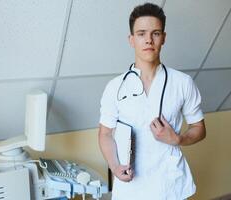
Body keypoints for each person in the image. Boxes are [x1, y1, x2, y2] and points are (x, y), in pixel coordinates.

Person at [98, 3, 206, 200]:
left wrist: (178, 139)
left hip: (169, 185)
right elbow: (105, 134)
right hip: (130, 186)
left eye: (155, 33)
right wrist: (114, 166)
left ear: (163, 38)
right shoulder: (115, 87)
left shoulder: (182, 82)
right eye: (141, 34)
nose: (148, 40)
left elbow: (199, 127)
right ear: (131, 40)